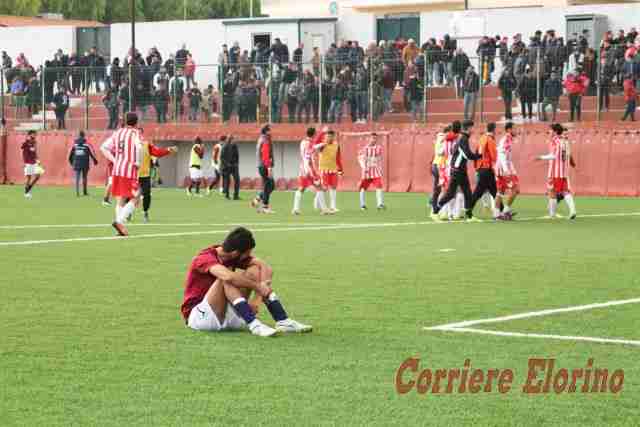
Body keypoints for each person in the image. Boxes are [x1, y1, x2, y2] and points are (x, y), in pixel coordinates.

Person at [180, 227, 312, 336]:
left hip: (229, 315)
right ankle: (254, 324)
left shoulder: (233, 255)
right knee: (226, 278)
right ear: (236, 253)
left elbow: (264, 267)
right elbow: (228, 277)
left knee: (253, 270)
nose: (249, 256)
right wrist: (257, 287)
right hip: (201, 318)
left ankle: (283, 320)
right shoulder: (204, 258)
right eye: (248, 253)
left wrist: (257, 298)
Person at [100, 112, 143, 237]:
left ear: (124, 121)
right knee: (137, 197)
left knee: (121, 198)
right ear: (136, 123)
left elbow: (103, 147)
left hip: (117, 169)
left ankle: (120, 227)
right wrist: (138, 162)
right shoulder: (135, 133)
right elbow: (139, 148)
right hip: (129, 170)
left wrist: (114, 160)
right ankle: (119, 221)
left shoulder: (117, 133)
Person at [432, 120, 481, 222]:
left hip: (460, 170)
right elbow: (467, 154)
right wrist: (479, 156)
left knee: (467, 192)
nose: (474, 130)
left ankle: (469, 216)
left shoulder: (463, 138)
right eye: (472, 127)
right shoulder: (463, 138)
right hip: (457, 170)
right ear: (468, 128)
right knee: (450, 193)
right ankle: (435, 211)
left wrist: (476, 156)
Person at [536, 124, 577, 220]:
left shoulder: (554, 141)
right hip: (564, 171)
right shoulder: (565, 141)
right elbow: (568, 155)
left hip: (555, 172)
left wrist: (540, 157)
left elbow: (554, 155)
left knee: (552, 191)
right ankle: (573, 210)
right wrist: (572, 164)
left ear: (554, 131)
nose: (549, 133)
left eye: (550, 131)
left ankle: (552, 214)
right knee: (565, 191)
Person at [138, 130, 177, 222]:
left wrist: (168, 150)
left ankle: (145, 212)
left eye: (140, 133)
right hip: (131, 174)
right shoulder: (128, 145)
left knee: (147, 195)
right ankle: (127, 213)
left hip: (144, 175)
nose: (138, 135)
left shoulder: (146, 145)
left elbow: (157, 153)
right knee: (130, 195)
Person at [292, 128, 329, 215]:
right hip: (309, 168)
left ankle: (295, 209)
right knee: (319, 187)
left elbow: (313, 146)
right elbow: (310, 152)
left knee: (302, 188)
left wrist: (321, 142)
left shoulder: (303, 142)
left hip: (302, 169)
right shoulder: (310, 143)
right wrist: (322, 144)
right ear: (313, 134)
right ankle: (324, 209)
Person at [468, 123, 499, 219]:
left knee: (494, 191)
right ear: (494, 130)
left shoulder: (482, 138)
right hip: (486, 169)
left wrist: (477, 167)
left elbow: (477, 152)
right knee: (478, 192)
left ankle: (501, 211)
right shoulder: (490, 140)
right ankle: (468, 210)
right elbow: (494, 156)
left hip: (481, 168)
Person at [495, 122, 521, 220]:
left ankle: (497, 214)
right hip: (503, 168)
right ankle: (506, 210)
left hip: (502, 167)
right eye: (514, 128)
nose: (516, 130)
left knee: (500, 191)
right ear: (509, 130)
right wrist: (506, 169)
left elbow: (505, 154)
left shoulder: (508, 139)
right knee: (516, 189)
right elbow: (502, 154)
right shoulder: (506, 139)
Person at [314, 130, 343, 214]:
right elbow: (314, 145)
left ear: (334, 137)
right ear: (325, 137)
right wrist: (321, 133)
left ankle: (333, 206)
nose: (329, 138)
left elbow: (338, 158)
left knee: (333, 187)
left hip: (333, 169)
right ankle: (317, 201)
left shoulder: (336, 145)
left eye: (331, 136)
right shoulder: (322, 145)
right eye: (328, 136)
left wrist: (340, 170)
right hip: (324, 169)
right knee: (324, 188)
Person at [358, 133, 386, 210]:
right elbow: (360, 159)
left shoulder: (379, 148)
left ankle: (379, 204)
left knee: (379, 185)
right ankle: (362, 205)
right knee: (362, 187)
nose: (374, 140)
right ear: (369, 139)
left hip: (375, 170)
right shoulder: (364, 149)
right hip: (366, 171)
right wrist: (364, 168)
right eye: (372, 138)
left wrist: (380, 168)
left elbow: (379, 159)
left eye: (375, 138)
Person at [252, 125, 276, 214]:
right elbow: (266, 155)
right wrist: (269, 167)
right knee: (268, 185)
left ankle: (258, 199)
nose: (271, 132)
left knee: (270, 185)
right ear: (266, 131)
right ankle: (265, 207)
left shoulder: (261, 139)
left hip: (262, 166)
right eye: (270, 130)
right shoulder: (265, 140)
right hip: (265, 166)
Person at [68, 131, 98, 197]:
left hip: (76, 163)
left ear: (78, 135)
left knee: (77, 178)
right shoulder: (87, 144)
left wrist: (71, 162)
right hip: (85, 163)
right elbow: (92, 153)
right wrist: (95, 160)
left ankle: (77, 193)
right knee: (84, 177)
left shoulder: (74, 144)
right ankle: (84, 192)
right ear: (84, 136)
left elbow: (70, 154)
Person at [430, 126, 449, 215]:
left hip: (436, 164)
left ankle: (434, 207)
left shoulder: (440, 138)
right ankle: (437, 209)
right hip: (439, 165)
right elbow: (439, 152)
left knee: (437, 188)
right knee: (442, 188)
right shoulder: (442, 139)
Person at [21, 130, 42, 199]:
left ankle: (28, 189)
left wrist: (37, 159)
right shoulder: (26, 142)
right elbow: (21, 149)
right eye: (34, 134)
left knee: (38, 176)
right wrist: (23, 162)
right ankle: (26, 192)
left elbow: (35, 152)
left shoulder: (34, 142)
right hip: (28, 162)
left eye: (35, 134)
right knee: (29, 178)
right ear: (30, 135)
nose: (35, 135)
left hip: (34, 162)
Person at [220, 135, 241, 200]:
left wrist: (236, 164)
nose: (234, 140)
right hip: (226, 167)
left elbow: (237, 156)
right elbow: (222, 157)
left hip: (234, 166)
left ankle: (236, 196)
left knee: (237, 180)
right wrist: (227, 164)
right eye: (233, 139)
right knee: (227, 181)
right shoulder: (225, 146)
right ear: (230, 140)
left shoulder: (235, 146)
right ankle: (227, 195)